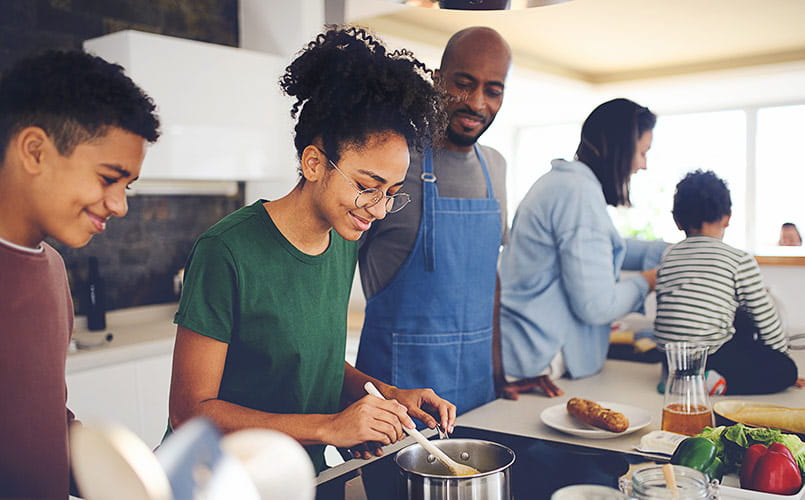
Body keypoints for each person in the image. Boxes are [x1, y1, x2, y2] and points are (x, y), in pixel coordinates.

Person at [167, 26, 454, 474]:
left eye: (392, 192)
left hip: (300, 473)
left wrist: (385, 395)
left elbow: (310, 360)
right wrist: (328, 428)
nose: (379, 211)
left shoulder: (342, 239)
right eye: (366, 187)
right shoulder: (226, 250)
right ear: (314, 162)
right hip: (222, 479)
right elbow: (188, 413)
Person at [0, 51, 160, 498]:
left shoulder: (51, 269)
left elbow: (40, 424)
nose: (119, 205)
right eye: (109, 177)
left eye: (126, 186)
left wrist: (133, 480)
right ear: (35, 151)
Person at [355, 26, 521, 415]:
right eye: (463, 84)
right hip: (397, 399)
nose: (477, 103)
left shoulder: (495, 167)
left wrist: (499, 374)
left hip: (479, 392)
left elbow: (488, 276)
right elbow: (331, 275)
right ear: (436, 78)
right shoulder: (391, 160)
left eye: (493, 90)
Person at [498, 98, 668, 395]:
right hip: (539, 361)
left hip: (526, 350)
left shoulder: (564, 184)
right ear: (620, 147)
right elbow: (596, 306)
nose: (643, 165)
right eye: (642, 152)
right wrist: (648, 282)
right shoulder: (578, 195)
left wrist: (669, 252)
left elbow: (599, 247)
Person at [654, 170, 804, 394]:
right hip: (712, 356)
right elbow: (766, 316)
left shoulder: (668, 255)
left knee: (737, 317)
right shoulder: (738, 259)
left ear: (677, 220)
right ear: (728, 217)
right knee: (784, 369)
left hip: (670, 357)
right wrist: (780, 357)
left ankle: (678, 377)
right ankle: (708, 382)